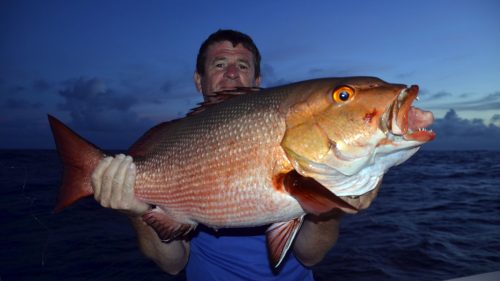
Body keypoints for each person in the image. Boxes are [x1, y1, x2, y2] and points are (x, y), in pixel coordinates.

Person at [91, 29, 380, 280]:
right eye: (220, 64)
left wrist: (331, 204)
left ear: (257, 79)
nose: (232, 73)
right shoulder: (176, 139)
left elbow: (310, 256)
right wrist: (136, 212)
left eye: (243, 65)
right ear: (198, 80)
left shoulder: (296, 134)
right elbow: (172, 264)